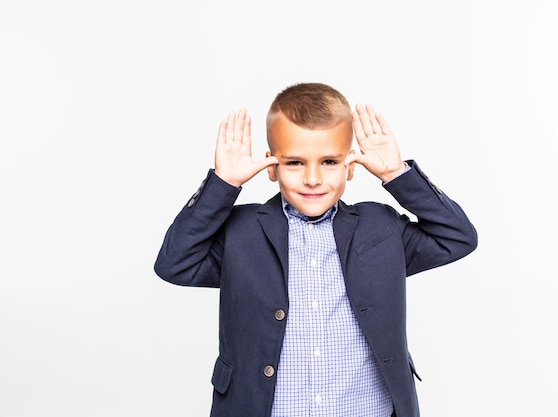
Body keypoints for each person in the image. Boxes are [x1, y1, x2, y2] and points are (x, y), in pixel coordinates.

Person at [154, 82, 477, 417]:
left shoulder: (380, 226)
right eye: (294, 162)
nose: (312, 178)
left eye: (329, 162)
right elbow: (174, 263)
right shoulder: (241, 232)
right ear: (271, 166)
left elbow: (457, 237)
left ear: (351, 166)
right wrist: (224, 184)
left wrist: (397, 174)